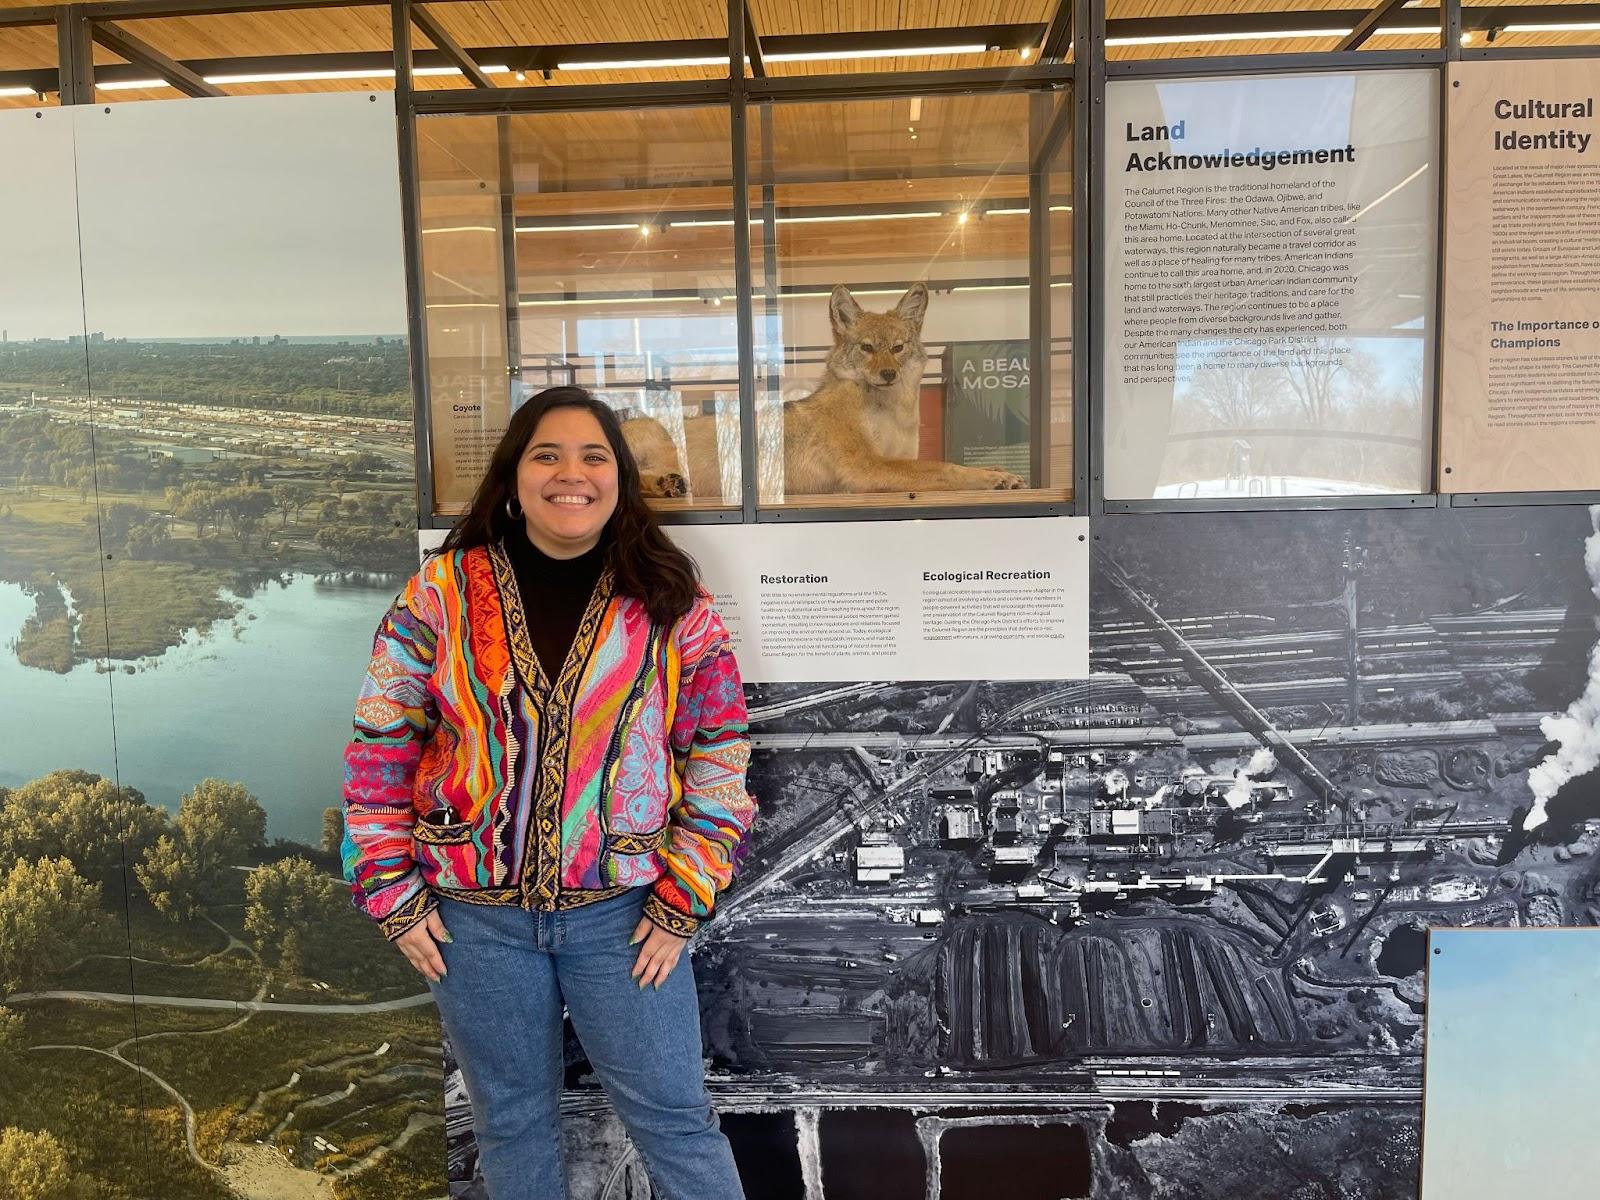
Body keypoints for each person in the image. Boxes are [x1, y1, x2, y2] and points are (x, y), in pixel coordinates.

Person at [340, 386, 755, 1200]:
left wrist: (683, 898)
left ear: (619, 477)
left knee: (674, 1120)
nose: (573, 474)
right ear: (516, 476)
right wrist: (390, 887)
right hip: (475, 925)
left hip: (626, 922)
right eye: (548, 454)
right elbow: (380, 746)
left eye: (594, 456)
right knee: (512, 1123)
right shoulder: (444, 593)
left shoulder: (671, 600)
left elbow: (720, 754)